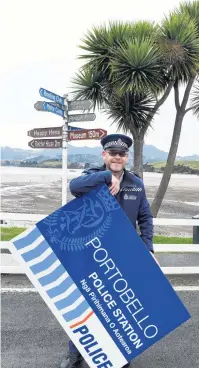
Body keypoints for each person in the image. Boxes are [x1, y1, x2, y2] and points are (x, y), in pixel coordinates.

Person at [61, 133, 158, 368]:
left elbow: (145, 217)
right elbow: (73, 187)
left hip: (125, 253)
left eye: (121, 154)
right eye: (112, 153)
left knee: (119, 307)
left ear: (127, 157)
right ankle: (75, 354)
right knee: (85, 304)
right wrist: (106, 177)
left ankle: (119, 354)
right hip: (93, 252)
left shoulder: (136, 183)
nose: (117, 157)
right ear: (104, 155)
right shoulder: (93, 177)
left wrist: (148, 249)